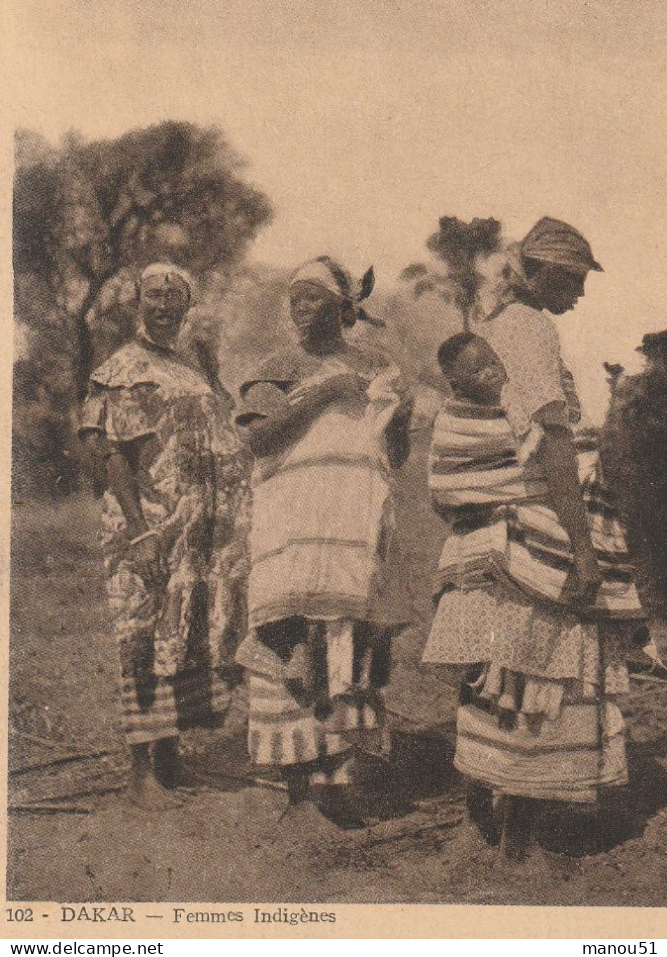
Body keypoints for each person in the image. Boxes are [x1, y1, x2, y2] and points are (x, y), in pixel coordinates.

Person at [422, 219, 649, 858]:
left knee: (497, 672)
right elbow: (548, 438)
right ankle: (519, 842)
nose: (579, 293)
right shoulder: (531, 328)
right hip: (532, 526)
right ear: (543, 271)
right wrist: (582, 549)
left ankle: (486, 820)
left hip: (494, 531)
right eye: (573, 279)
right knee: (538, 671)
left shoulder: (498, 324)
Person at [235, 256, 413, 827]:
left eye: (311, 299)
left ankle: (335, 786)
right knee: (289, 640)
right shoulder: (279, 366)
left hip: (349, 527)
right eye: (294, 300)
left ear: (343, 308)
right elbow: (257, 440)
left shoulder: (375, 366)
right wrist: (322, 392)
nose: (299, 309)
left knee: (342, 644)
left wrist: (398, 415)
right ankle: (296, 787)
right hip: (292, 526)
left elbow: (397, 454)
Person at [79, 263, 251, 809]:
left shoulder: (188, 368)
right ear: (137, 302)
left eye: (176, 298)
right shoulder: (122, 367)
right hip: (149, 522)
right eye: (155, 296)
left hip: (195, 527)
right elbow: (111, 455)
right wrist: (139, 531)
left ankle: (170, 760)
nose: (166, 306)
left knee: (176, 637)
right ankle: (140, 773)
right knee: (140, 633)